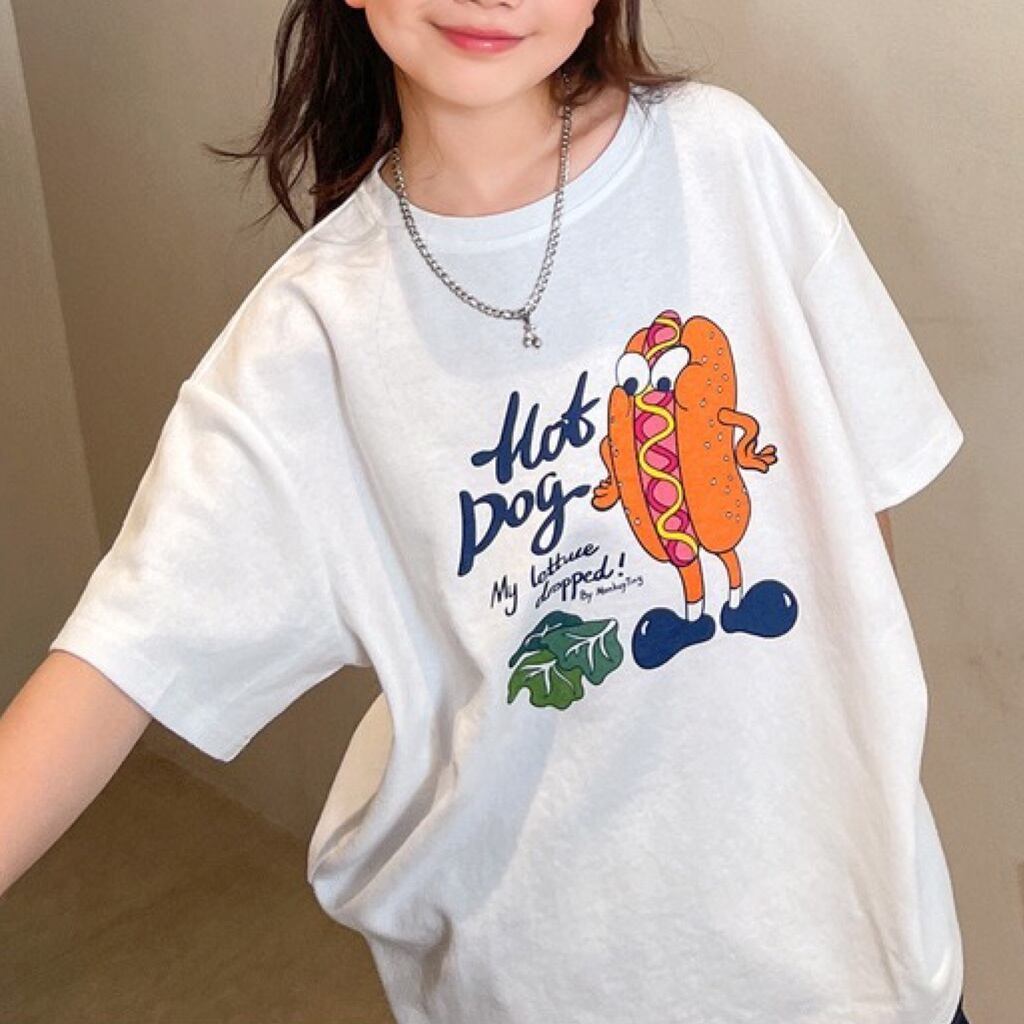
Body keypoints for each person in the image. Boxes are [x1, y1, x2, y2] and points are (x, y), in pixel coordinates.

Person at [0, 2, 971, 1022]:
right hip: (547, 984)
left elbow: (855, 529)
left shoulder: (723, 162)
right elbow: (112, 667)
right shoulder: (311, 335)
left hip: (856, 962)